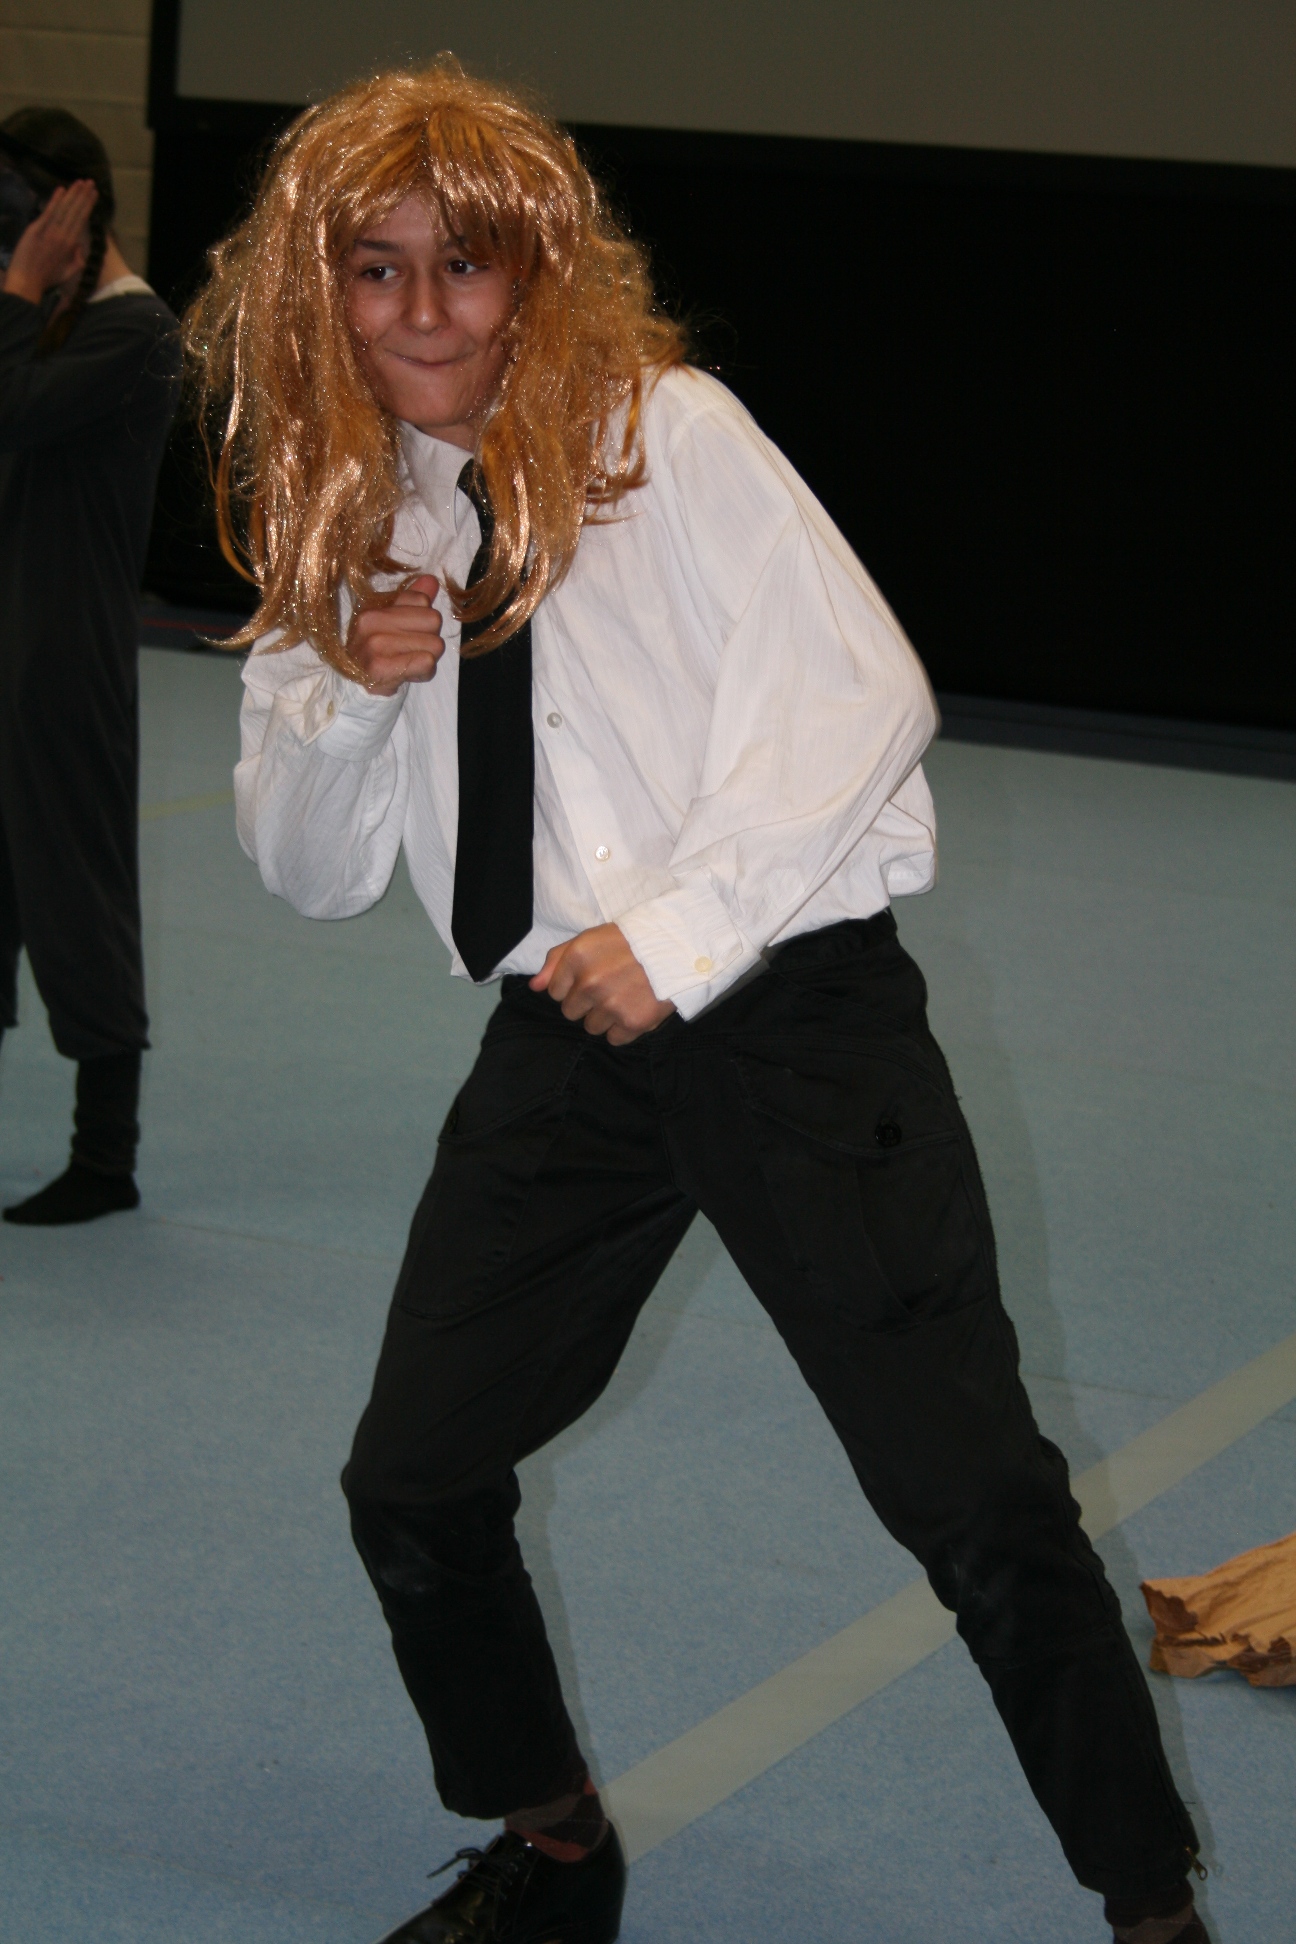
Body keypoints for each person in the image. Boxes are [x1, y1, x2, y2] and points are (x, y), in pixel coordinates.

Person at [190, 62, 1210, 1944]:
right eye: (376, 270)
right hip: (562, 1043)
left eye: (463, 264)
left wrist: (679, 929)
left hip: (792, 1014)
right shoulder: (347, 515)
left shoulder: (666, 433)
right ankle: (556, 1845)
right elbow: (311, 870)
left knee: (975, 1500)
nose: (422, 312)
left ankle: (1152, 1909)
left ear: (536, 272)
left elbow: (863, 693)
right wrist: (343, 685)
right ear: (313, 292)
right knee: (411, 1475)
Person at [0, 108, 181, 1224]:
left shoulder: (136, 331)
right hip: (7, 645)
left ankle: (104, 1161)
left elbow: (11, 411)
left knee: (78, 896)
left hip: (65, 662)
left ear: (72, 210)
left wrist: (22, 287)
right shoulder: (40, 323)